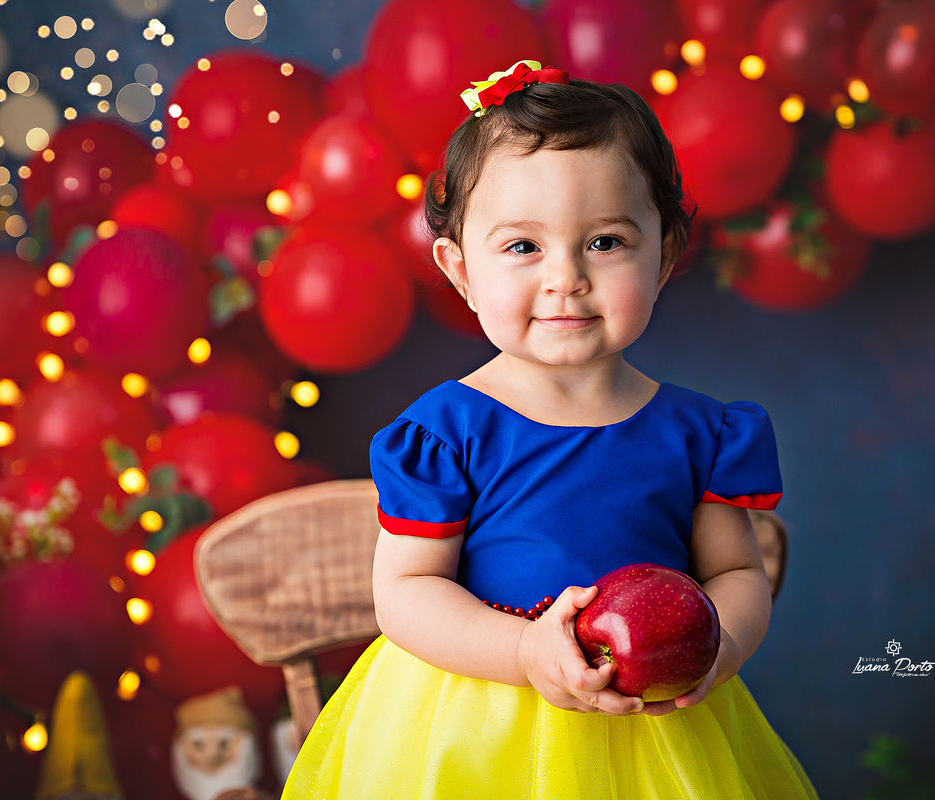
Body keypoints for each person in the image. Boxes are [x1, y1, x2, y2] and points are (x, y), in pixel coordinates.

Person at [283, 59, 819, 799]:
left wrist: (719, 646)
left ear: (663, 254)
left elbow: (734, 573)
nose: (565, 277)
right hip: (477, 723)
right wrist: (523, 650)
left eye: (604, 242)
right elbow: (405, 591)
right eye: (522, 247)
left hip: (651, 731)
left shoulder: (704, 434)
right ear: (461, 267)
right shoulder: (445, 433)